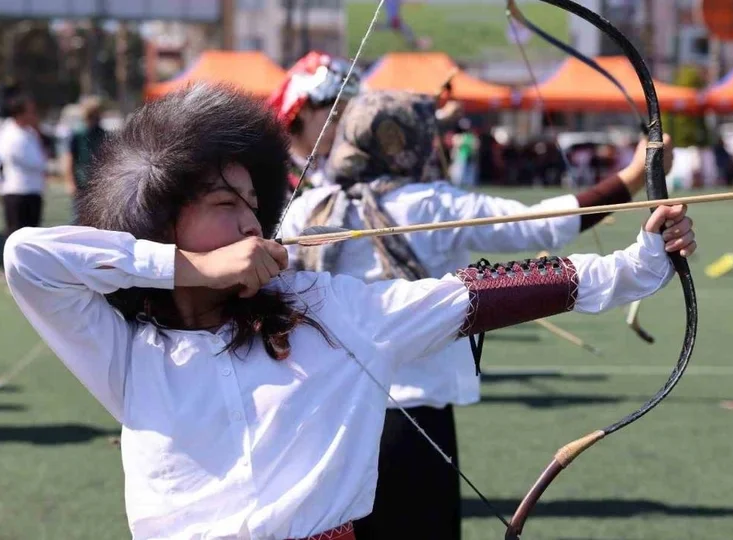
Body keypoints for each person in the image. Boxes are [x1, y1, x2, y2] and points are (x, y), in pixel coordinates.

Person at [2, 83, 696, 540]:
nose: (251, 223)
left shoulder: (327, 310)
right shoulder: (125, 352)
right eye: (224, 206)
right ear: (161, 221)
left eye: (254, 206)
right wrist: (193, 269)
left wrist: (636, 266)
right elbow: (28, 259)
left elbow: (474, 294)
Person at [278, 90, 679, 540]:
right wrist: (633, 175)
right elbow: (541, 224)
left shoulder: (307, 209)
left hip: (329, 419)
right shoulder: (430, 204)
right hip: (413, 421)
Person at [266, 51, 362, 194]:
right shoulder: (270, 169)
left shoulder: (341, 166)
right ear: (304, 109)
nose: (340, 129)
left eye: (346, 120)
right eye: (334, 117)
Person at [0, 94, 48, 238]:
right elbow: (37, 162)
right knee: (17, 237)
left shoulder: (30, 132)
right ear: (19, 114)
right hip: (17, 193)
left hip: (33, 191)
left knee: (33, 238)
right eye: (30, 111)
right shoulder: (9, 135)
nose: (34, 115)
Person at [62, 96, 107, 221]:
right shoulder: (77, 133)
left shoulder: (102, 134)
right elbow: (69, 158)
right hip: (81, 181)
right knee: (78, 218)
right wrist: (69, 181)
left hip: (99, 183)